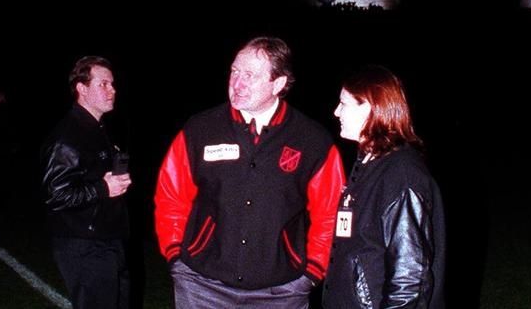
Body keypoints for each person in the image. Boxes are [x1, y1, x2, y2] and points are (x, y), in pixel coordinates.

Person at [154, 36, 345, 308]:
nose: (237, 84)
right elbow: (171, 196)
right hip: (201, 285)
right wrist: (175, 255)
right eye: (234, 72)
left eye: (250, 76)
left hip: (281, 292)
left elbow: (330, 214)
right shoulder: (200, 129)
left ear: (278, 84)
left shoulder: (312, 141)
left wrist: (312, 272)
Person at [322, 65, 446, 308]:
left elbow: (410, 278)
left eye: (344, 104)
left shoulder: (401, 174)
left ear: (369, 108)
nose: (336, 112)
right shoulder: (369, 163)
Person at [41, 56, 132, 309]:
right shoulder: (68, 136)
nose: (112, 90)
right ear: (82, 89)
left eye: (112, 84)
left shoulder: (97, 128)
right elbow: (57, 195)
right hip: (84, 245)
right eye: (103, 84)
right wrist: (103, 188)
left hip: (107, 239)